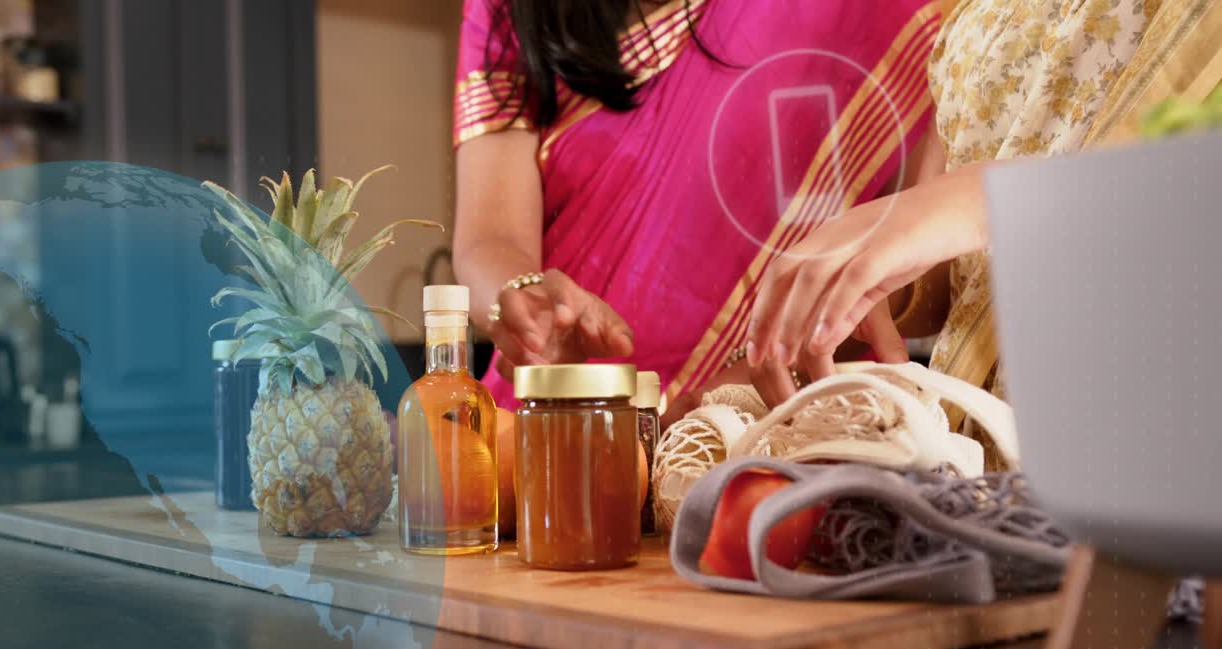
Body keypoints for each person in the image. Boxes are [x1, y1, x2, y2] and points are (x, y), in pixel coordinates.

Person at [746, 0, 1222, 443]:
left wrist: (1002, 196)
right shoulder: (972, 10)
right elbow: (963, 270)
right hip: (981, 457)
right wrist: (875, 283)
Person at [451, 0, 951, 410]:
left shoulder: (876, 11)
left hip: (779, 418)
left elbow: (927, 275)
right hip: (560, 424)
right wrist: (529, 307)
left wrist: (803, 336)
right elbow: (488, 238)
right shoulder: (510, 11)